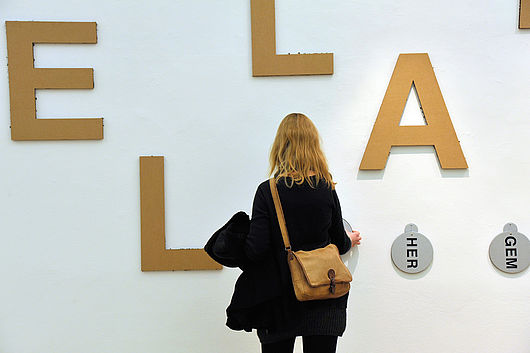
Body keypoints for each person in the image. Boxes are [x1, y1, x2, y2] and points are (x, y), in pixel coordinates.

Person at [243, 113, 362, 353]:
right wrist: (349, 241)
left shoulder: (268, 191)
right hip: (323, 294)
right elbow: (338, 241)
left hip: (278, 300)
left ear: (280, 146)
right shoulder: (326, 188)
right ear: (313, 146)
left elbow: (256, 249)